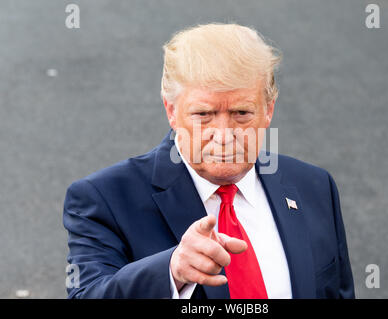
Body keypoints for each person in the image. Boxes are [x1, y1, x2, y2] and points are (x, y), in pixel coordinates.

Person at [63, 23, 355, 299]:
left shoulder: (314, 187)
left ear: (268, 110)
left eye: (242, 113)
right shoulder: (105, 199)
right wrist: (171, 272)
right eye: (204, 115)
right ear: (171, 111)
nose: (224, 135)